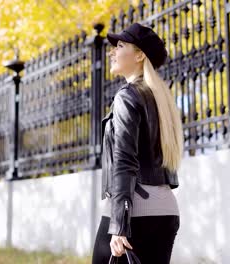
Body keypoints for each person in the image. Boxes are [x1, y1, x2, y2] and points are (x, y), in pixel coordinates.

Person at [92, 22, 184, 264]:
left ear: (139, 54)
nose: (112, 51)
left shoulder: (127, 96)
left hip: (134, 213)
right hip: (166, 211)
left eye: (120, 45)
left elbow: (124, 160)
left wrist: (119, 224)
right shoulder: (162, 99)